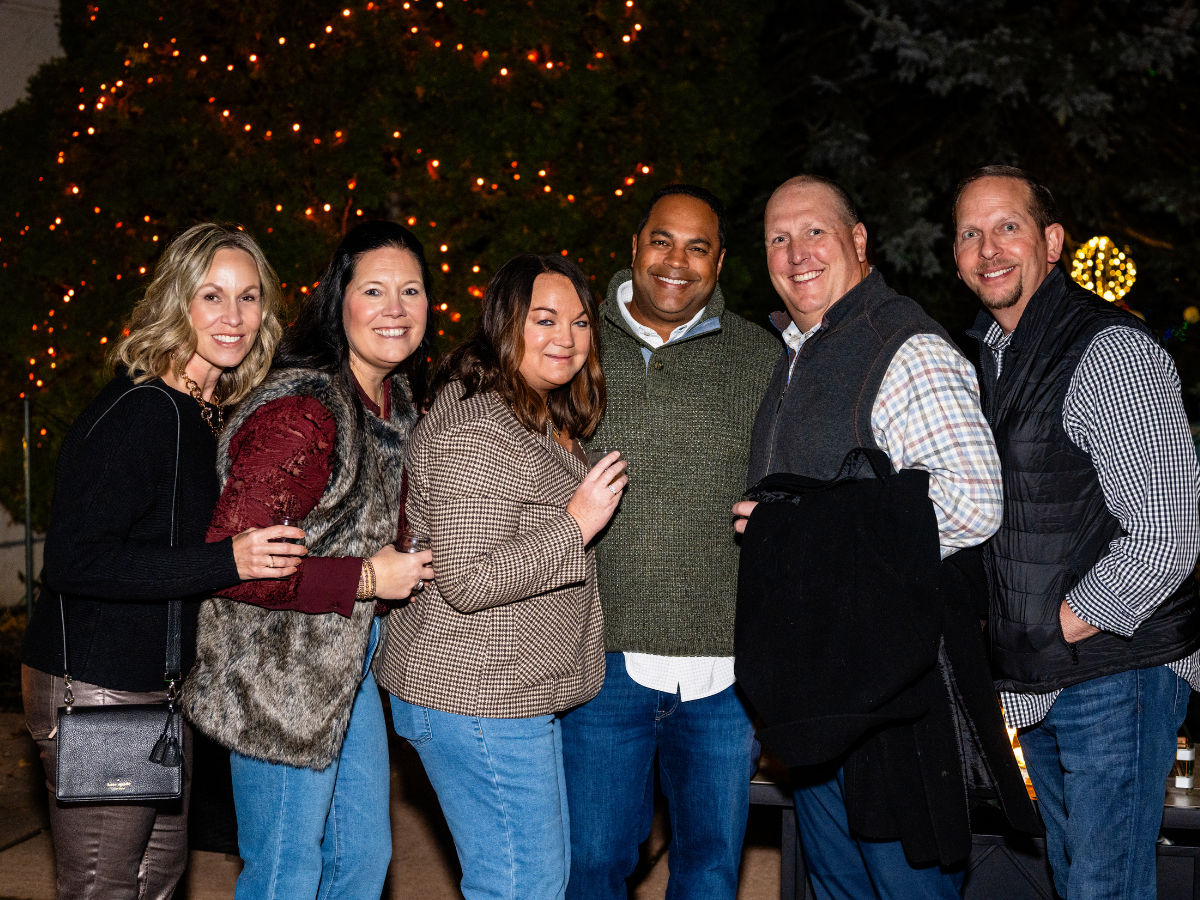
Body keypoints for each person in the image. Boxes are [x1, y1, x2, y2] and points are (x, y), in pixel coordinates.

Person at [733, 175, 1012, 899]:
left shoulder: (903, 345)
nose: (797, 254)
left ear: (859, 241)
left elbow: (974, 503)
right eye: (778, 238)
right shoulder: (799, 352)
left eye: (815, 232)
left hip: (895, 698)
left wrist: (792, 534)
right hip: (825, 698)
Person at [20, 222, 293, 900]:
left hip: (154, 687)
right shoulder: (145, 411)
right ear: (178, 303)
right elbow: (76, 561)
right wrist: (226, 560)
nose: (233, 318)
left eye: (248, 298)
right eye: (212, 296)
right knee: (106, 887)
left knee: (156, 882)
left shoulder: (197, 411)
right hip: (99, 686)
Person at [954, 165, 1200, 899]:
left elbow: (1168, 533)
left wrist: (1054, 628)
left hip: (1113, 672)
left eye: (1008, 227)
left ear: (1051, 242)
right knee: (1077, 883)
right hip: (1046, 680)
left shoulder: (1107, 351)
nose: (988, 248)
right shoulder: (992, 359)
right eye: (970, 232)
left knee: (1104, 889)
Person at [180, 220, 435, 900]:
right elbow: (229, 567)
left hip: (347, 671)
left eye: (411, 290)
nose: (395, 308)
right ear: (337, 301)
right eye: (374, 289)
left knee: (361, 860)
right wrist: (368, 578)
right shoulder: (304, 408)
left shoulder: (397, 400)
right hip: (277, 680)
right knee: (287, 871)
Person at [374, 252, 624, 900]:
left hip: (500, 691)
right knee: (521, 883)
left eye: (578, 322)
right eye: (544, 320)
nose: (565, 338)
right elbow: (470, 580)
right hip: (475, 697)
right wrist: (575, 524)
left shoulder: (524, 407)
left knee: (532, 878)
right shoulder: (480, 429)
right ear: (506, 324)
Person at [557, 184, 779, 900]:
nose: (675, 261)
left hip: (724, 675)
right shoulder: (574, 344)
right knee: (593, 865)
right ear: (633, 247)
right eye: (662, 240)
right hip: (602, 662)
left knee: (710, 872)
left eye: (697, 246)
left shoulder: (761, 358)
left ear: (718, 262)